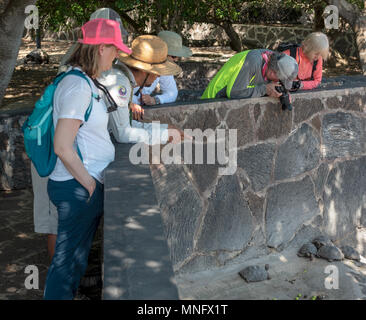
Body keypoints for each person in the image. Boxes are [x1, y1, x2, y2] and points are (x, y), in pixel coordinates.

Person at [43, 18, 131, 300]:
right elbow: (62, 146)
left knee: (76, 259)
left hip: (82, 185)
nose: (117, 55)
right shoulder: (78, 86)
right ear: (102, 47)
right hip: (77, 187)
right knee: (66, 264)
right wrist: (90, 185)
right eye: (115, 49)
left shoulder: (84, 81)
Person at [99, 34, 183, 145]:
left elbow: (125, 123)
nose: (158, 77)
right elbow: (123, 133)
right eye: (157, 73)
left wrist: (163, 128)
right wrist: (164, 135)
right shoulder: (120, 84)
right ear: (145, 71)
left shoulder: (123, 79)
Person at [201, 49, 298, 100]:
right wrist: (265, 89)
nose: (278, 82)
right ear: (273, 72)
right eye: (280, 79)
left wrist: (283, 92)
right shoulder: (253, 62)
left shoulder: (274, 58)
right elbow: (233, 92)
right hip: (213, 99)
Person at [132, 30, 192, 106]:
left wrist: (155, 100)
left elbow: (172, 93)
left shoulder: (165, 68)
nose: (176, 59)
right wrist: (138, 101)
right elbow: (118, 92)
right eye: (174, 56)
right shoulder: (136, 65)